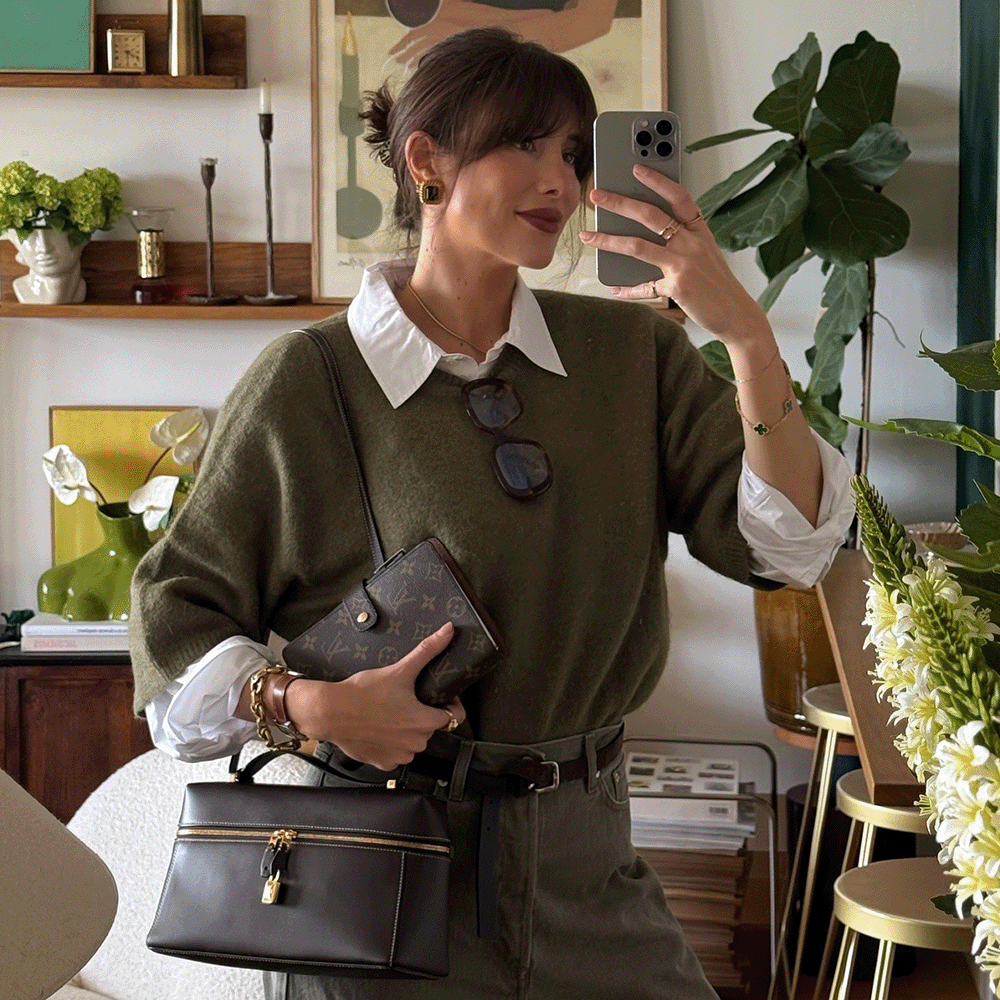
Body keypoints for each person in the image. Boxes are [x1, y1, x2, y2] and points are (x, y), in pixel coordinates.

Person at [130, 27, 855, 1000]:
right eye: (525, 142)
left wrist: (748, 340)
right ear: (425, 160)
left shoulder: (630, 355)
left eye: (572, 152)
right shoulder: (310, 384)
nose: (558, 176)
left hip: (588, 863)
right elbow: (173, 624)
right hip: (384, 870)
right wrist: (306, 705)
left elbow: (792, 544)